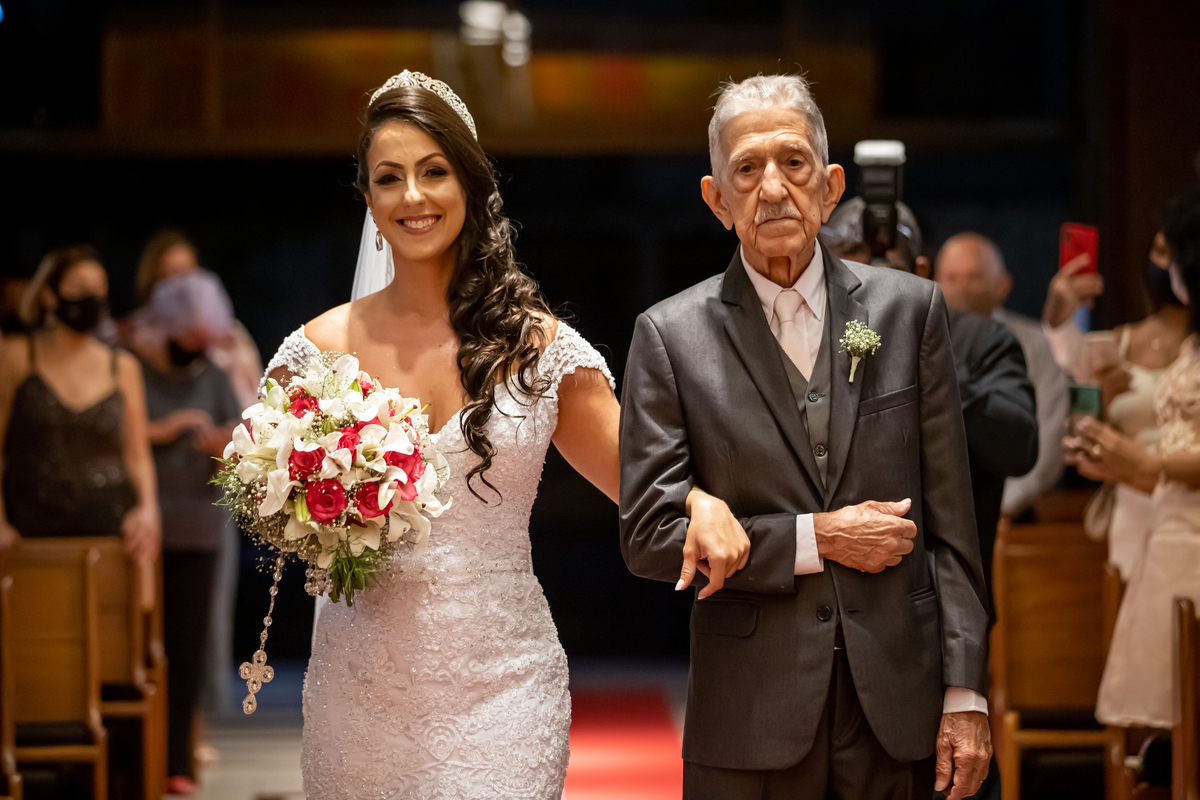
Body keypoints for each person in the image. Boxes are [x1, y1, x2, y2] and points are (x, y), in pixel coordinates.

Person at [262, 70, 731, 798]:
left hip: (502, 690)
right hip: (359, 693)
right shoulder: (314, 354)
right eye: (389, 178)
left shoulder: (539, 351)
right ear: (368, 200)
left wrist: (701, 503)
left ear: (471, 184)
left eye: (434, 171)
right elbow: (272, 510)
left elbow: (643, 482)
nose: (412, 196)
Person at [619, 75, 992, 800]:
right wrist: (815, 539)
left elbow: (953, 525)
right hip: (750, 713)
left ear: (830, 186)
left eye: (793, 162)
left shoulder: (909, 311)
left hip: (899, 704)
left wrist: (965, 692)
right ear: (717, 201)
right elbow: (650, 538)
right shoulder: (670, 337)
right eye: (747, 169)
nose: (773, 189)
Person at [823, 202, 1038, 611]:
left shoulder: (977, 338)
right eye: (848, 270)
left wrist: (924, 353)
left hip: (944, 604)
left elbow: (1019, 446)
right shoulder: (806, 343)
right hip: (828, 603)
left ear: (919, 271)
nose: (864, 288)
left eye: (881, 270)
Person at [1066, 185, 1200, 732]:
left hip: (1182, 518)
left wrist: (1147, 463)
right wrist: (1120, 463)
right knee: (1169, 702)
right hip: (1161, 514)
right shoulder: (1177, 344)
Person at [141, 271, 241, 796]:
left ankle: (177, 759)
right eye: (186, 340)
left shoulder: (215, 374)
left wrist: (221, 443)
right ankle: (138, 758)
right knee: (141, 649)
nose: (194, 351)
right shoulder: (132, 370)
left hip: (199, 528)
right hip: (143, 530)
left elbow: (241, 438)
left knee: (188, 649)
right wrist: (167, 427)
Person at [0, 245, 159, 566]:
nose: (92, 298)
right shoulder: (16, 357)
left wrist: (148, 509)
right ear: (49, 295)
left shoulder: (123, 366)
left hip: (110, 534)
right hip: (28, 536)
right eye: (80, 288)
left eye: (99, 290)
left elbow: (137, 454)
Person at [935, 233, 1068, 521]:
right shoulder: (922, 340)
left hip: (1014, 511)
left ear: (1003, 284)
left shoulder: (1033, 343)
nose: (963, 288)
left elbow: (1048, 431)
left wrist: (1005, 506)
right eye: (952, 278)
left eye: (975, 277)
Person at [123, 229, 263, 410]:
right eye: (171, 275)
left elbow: (254, 397)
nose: (184, 285)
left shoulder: (232, 334)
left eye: (188, 272)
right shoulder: (134, 335)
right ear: (153, 282)